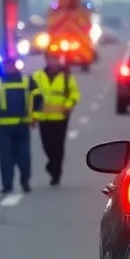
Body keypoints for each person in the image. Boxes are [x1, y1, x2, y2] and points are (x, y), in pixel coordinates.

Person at [0, 65, 41, 195]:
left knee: (15, 156)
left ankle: (18, 183)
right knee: (13, 156)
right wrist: (34, 116)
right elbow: (38, 99)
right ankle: (14, 184)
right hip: (14, 125)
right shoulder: (26, 81)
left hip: (11, 125)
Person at [32, 51, 81, 186]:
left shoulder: (66, 77)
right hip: (44, 117)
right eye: (51, 59)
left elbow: (74, 94)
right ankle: (51, 164)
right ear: (46, 60)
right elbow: (32, 96)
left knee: (58, 146)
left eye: (56, 59)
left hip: (60, 117)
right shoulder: (38, 76)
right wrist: (32, 115)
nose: (53, 62)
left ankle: (56, 173)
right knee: (47, 145)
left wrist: (68, 105)